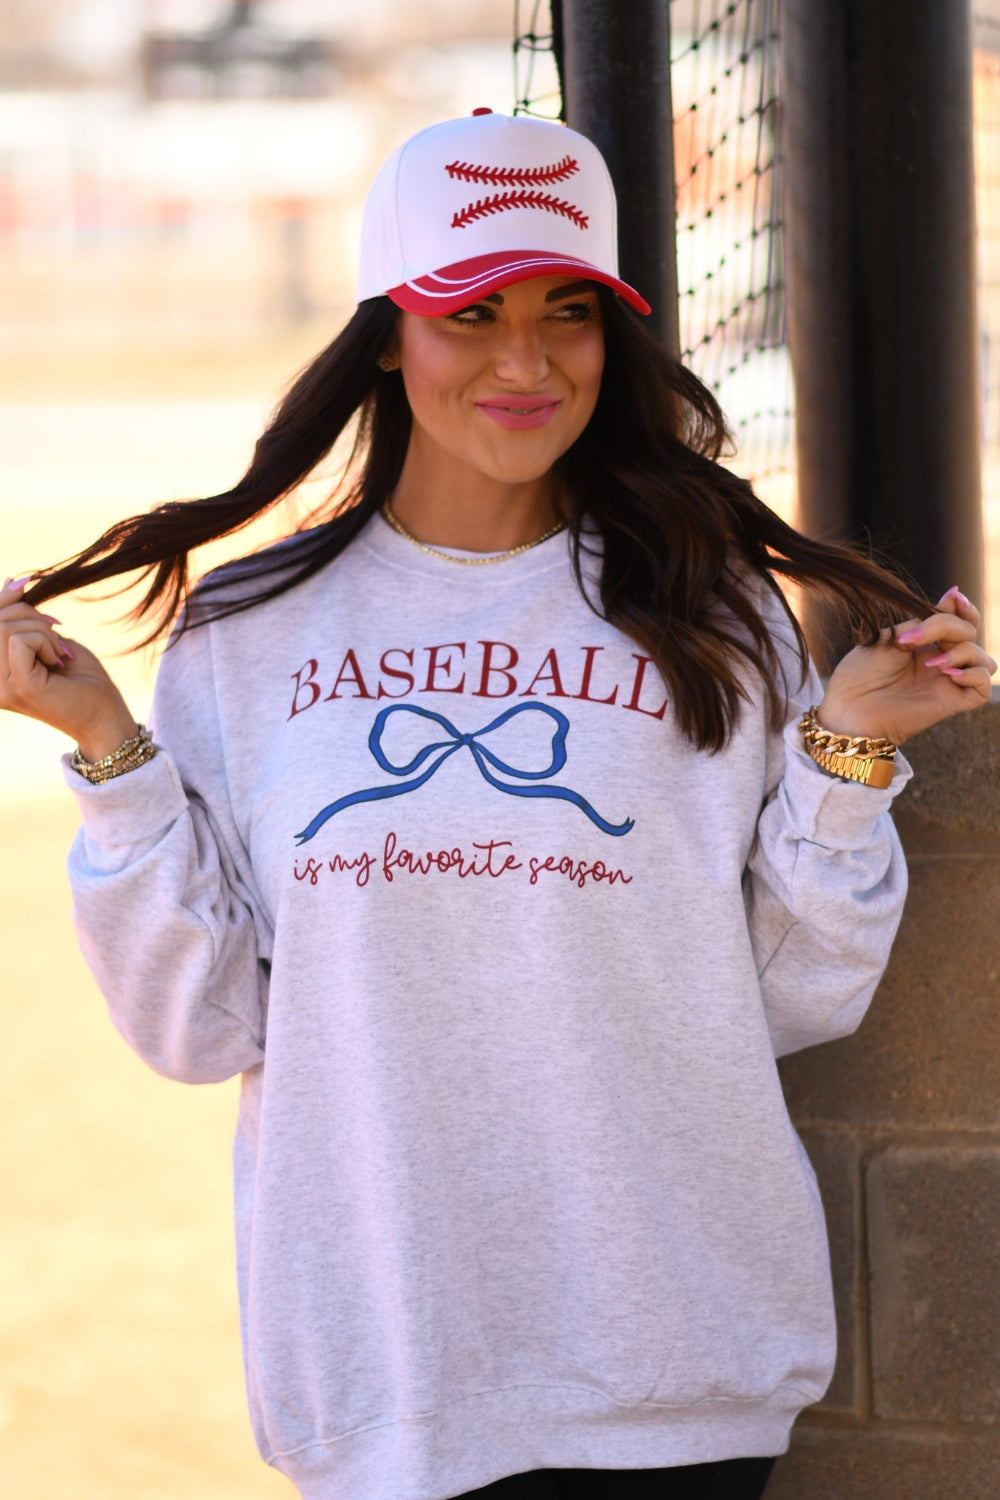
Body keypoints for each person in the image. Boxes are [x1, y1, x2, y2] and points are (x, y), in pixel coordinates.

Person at [0, 109, 994, 1500]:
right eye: (470, 312)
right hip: (392, 1382)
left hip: (679, 1366)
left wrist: (846, 755)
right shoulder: (247, 637)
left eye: (568, 312)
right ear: (388, 332)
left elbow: (778, 998)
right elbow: (201, 1025)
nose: (526, 361)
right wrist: (105, 742)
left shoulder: (711, 616)